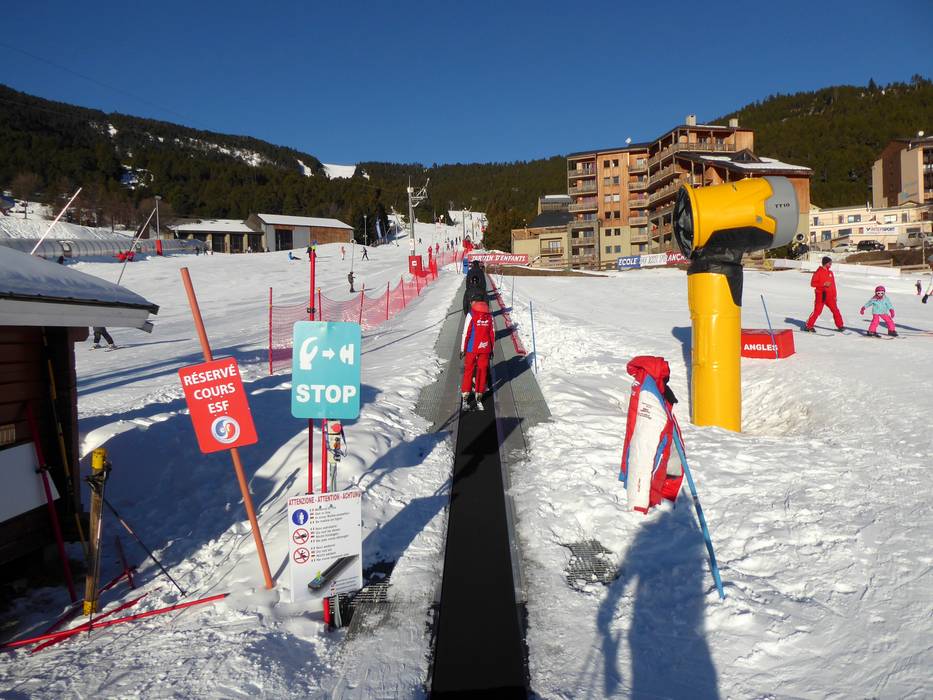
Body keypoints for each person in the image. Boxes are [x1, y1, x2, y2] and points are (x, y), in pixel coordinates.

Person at [460, 297, 494, 409]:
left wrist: (463, 349)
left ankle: (465, 395)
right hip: (485, 347)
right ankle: (479, 395)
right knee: (482, 371)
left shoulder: (471, 314)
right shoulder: (489, 315)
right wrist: (492, 349)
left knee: (469, 370)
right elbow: (492, 333)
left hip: (472, 348)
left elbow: (466, 333)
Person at [805, 256, 844, 332]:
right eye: (829, 263)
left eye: (831, 263)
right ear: (825, 263)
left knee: (835, 310)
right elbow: (812, 284)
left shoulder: (830, 273)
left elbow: (833, 285)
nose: (830, 265)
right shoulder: (818, 272)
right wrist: (823, 284)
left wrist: (835, 295)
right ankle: (808, 326)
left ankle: (840, 325)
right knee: (817, 311)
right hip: (821, 294)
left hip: (830, 296)